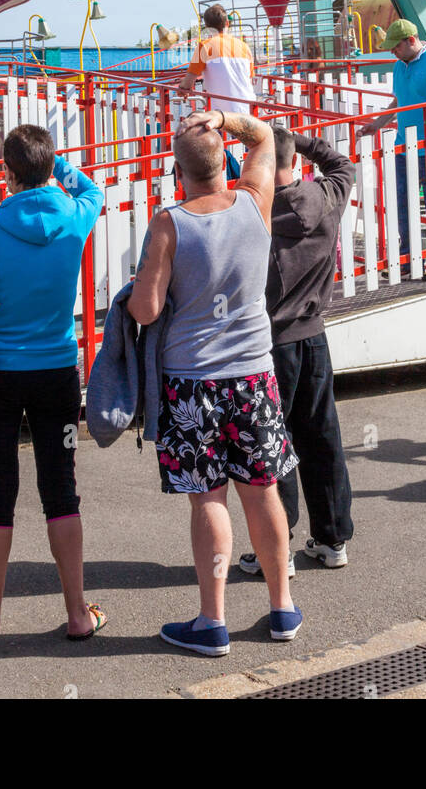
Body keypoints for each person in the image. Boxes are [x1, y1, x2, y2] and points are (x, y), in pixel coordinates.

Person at [128, 107, 301, 656]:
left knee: (209, 499)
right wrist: (224, 117)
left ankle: (213, 621)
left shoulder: (169, 223)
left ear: (178, 171)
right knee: (263, 491)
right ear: (226, 160)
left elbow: (147, 310)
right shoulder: (255, 201)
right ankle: (282, 608)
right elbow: (267, 136)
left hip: (193, 381)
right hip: (254, 374)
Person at [0, 124, 104, 643]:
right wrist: (56, 166)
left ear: (7, 173)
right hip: (57, 371)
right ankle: (78, 613)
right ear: (48, 167)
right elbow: (92, 190)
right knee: (61, 490)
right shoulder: (75, 217)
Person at [239, 127, 354, 579]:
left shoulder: (251, 212)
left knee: (274, 444)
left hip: (271, 343)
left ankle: (278, 545)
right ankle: (332, 537)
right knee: (322, 436)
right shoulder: (326, 197)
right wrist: (298, 141)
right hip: (314, 337)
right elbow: (342, 164)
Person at [357, 20, 426, 279]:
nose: (392, 52)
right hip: (405, 146)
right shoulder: (400, 66)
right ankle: (408, 258)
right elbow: (399, 100)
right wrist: (377, 124)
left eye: (395, 46)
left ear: (411, 40)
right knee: (404, 204)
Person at [177, 4, 256, 117]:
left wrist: (182, 89)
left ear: (207, 27)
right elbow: (250, 78)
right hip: (250, 109)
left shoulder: (205, 46)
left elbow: (188, 82)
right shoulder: (244, 46)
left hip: (223, 115)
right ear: (227, 23)